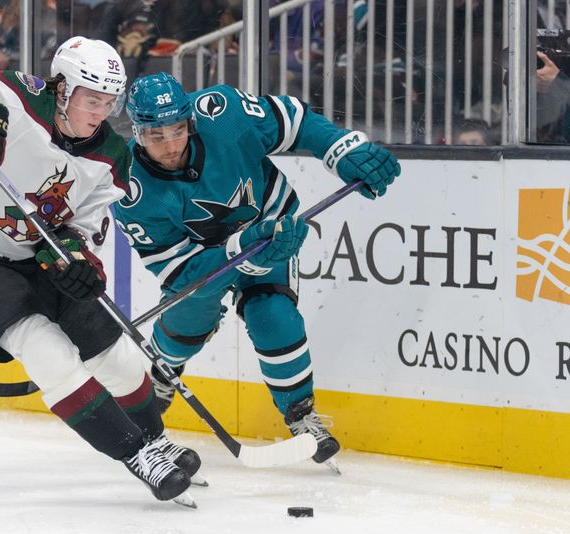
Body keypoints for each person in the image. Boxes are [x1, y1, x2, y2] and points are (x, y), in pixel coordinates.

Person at [0, 37, 200, 505]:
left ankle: (156, 439)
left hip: (33, 256)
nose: (100, 112)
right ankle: (137, 454)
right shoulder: (16, 96)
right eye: (92, 99)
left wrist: (74, 261)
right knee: (46, 349)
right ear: (62, 89)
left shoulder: (112, 156)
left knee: (113, 352)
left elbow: (82, 227)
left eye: (109, 102)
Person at [113, 72, 400, 469]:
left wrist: (340, 149)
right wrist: (239, 249)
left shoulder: (223, 113)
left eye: (177, 130)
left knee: (273, 316)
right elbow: (180, 271)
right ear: (137, 132)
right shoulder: (127, 186)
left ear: (190, 121)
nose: (170, 145)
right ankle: (163, 373)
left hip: (273, 232)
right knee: (189, 314)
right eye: (155, 135)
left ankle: (301, 415)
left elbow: (294, 122)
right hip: (204, 263)